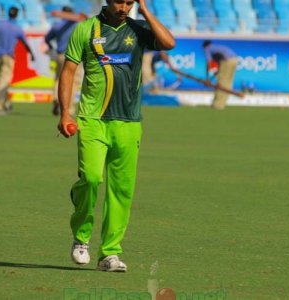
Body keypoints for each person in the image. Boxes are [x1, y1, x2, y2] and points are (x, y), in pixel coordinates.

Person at [57, 0, 175, 272]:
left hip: (129, 122)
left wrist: (145, 11)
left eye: (129, 2)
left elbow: (169, 43)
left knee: (121, 191)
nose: (124, 7)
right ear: (106, 1)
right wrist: (66, 113)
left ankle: (109, 253)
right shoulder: (85, 30)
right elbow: (69, 72)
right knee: (91, 178)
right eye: (119, 1)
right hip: (93, 119)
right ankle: (81, 237)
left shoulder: (139, 28)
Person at [0, 6, 35, 115]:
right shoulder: (17, 28)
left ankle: (6, 103)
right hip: (8, 57)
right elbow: (25, 44)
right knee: (4, 81)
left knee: (1, 80)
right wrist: (32, 54)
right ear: (17, 15)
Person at [45, 6, 82, 116]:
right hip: (74, 56)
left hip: (60, 55)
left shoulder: (56, 25)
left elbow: (47, 39)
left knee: (58, 79)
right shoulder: (77, 25)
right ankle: (69, 108)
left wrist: (51, 48)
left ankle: (57, 97)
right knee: (73, 82)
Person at [203, 40, 237, 109]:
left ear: (204, 46)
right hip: (234, 60)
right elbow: (219, 62)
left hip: (226, 61)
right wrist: (217, 72)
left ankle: (217, 104)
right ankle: (222, 104)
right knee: (227, 83)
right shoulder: (215, 47)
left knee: (221, 83)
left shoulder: (207, 48)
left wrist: (207, 78)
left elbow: (209, 63)